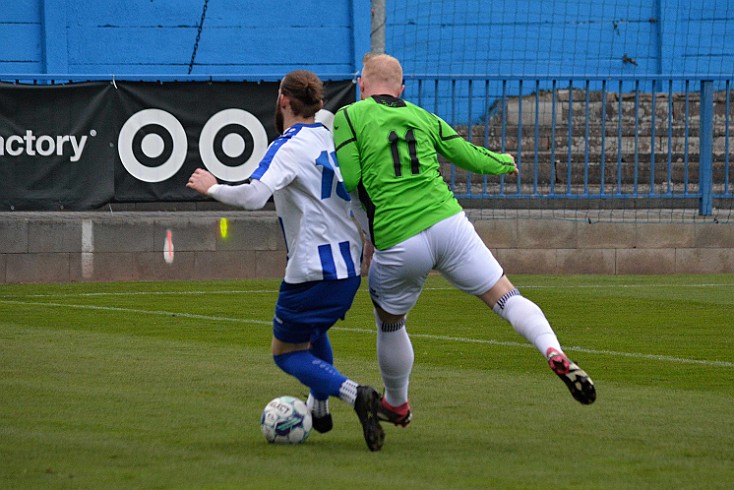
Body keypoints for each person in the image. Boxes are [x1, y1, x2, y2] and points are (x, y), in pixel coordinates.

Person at [332, 54, 596, 427]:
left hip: (398, 238)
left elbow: (353, 179)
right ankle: (552, 349)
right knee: (506, 297)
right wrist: (503, 161)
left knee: (390, 322)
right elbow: (466, 154)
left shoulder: (348, 117)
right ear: (402, 89)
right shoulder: (423, 116)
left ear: (361, 84)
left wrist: (367, 223)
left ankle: (397, 404)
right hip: (449, 224)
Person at [186, 70, 384, 451]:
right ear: (318, 104)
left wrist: (213, 187)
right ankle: (320, 408)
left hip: (312, 270)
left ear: (283, 101)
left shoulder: (288, 145)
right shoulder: (329, 138)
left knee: (285, 353)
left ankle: (355, 394)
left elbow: (254, 196)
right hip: (346, 268)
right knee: (311, 333)